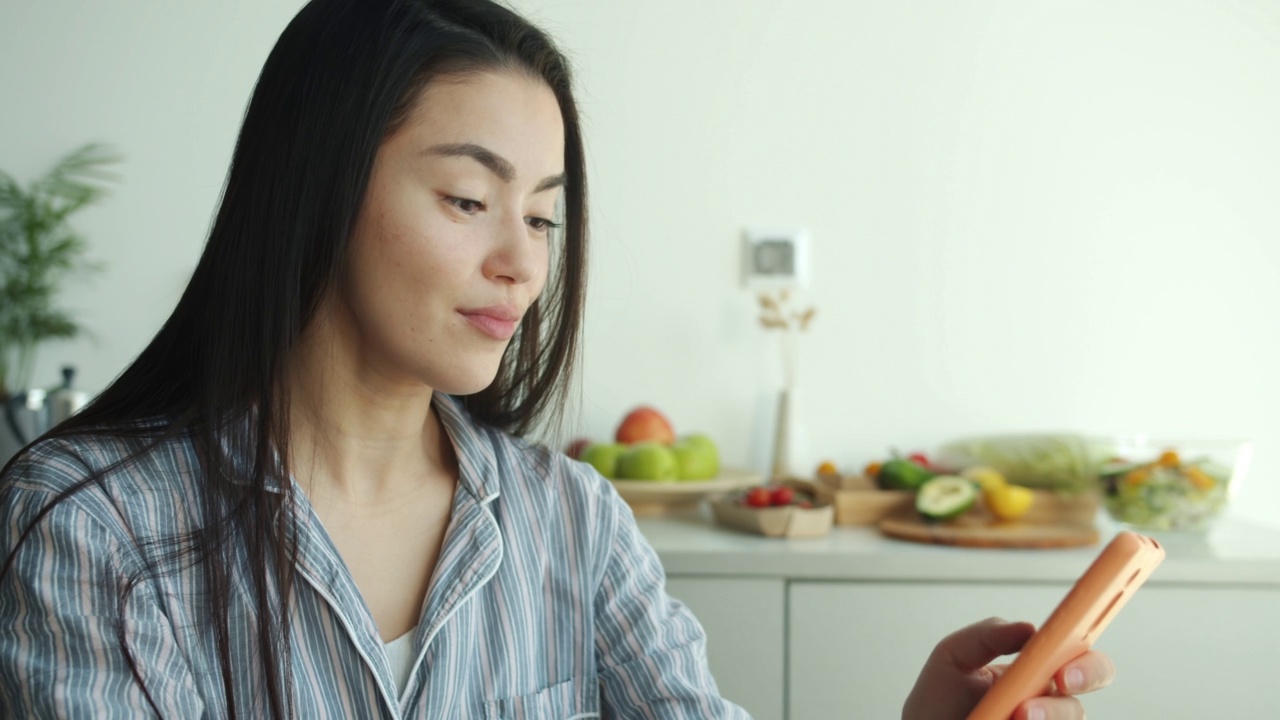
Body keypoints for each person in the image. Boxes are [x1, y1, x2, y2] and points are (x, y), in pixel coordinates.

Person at [0, 0, 1115, 717]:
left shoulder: (569, 520)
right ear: (315, 191)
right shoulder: (91, 530)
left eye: (541, 217)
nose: (518, 265)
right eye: (468, 198)